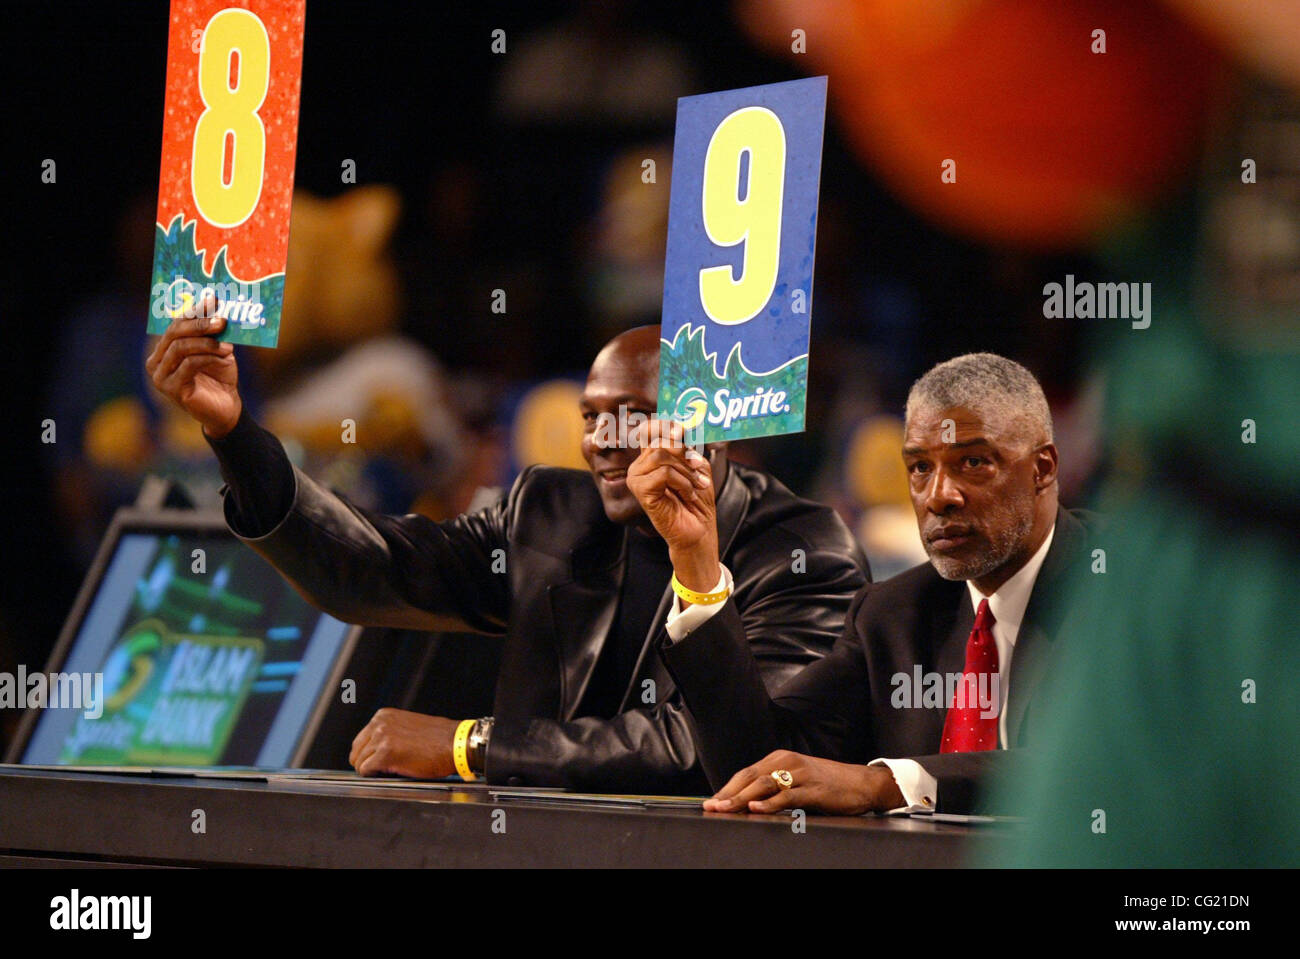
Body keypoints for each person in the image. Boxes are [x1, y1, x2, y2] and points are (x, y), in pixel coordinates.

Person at [146, 297, 868, 793]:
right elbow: (374, 567)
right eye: (591, 417)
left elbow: (732, 758)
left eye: (631, 416)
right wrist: (234, 436)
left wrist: (468, 745)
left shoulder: (806, 550)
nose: (601, 442)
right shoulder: (549, 513)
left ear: (709, 430)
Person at [629, 352, 1096, 814]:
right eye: (920, 468)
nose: (939, 496)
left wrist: (888, 783)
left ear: (1043, 468)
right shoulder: (892, 613)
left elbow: (1096, 765)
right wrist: (696, 561)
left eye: (973, 462)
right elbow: (761, 766)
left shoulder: (1114, 588)